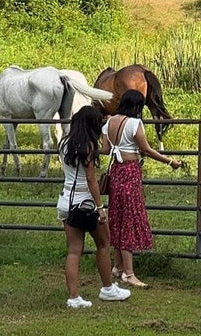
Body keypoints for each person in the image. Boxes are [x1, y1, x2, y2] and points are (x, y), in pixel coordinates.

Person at [101, 89, 181, 287]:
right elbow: (146, 149)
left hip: (115, 172)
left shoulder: (109, 122)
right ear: (136, 106)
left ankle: (118, 265)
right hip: (130, 172)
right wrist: (169, 161)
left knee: (117, 216)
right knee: (128, 218)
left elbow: (104, 149)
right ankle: (129, 272)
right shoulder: (134, 123)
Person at [57, 105, 131, 307]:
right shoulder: (88, 147)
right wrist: (100, 207)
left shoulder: (64, 144)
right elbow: (90, 180)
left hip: (66, 201)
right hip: (85, 202)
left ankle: (73, 297)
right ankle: (107, 288)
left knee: (74, 250)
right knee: (103, 244)